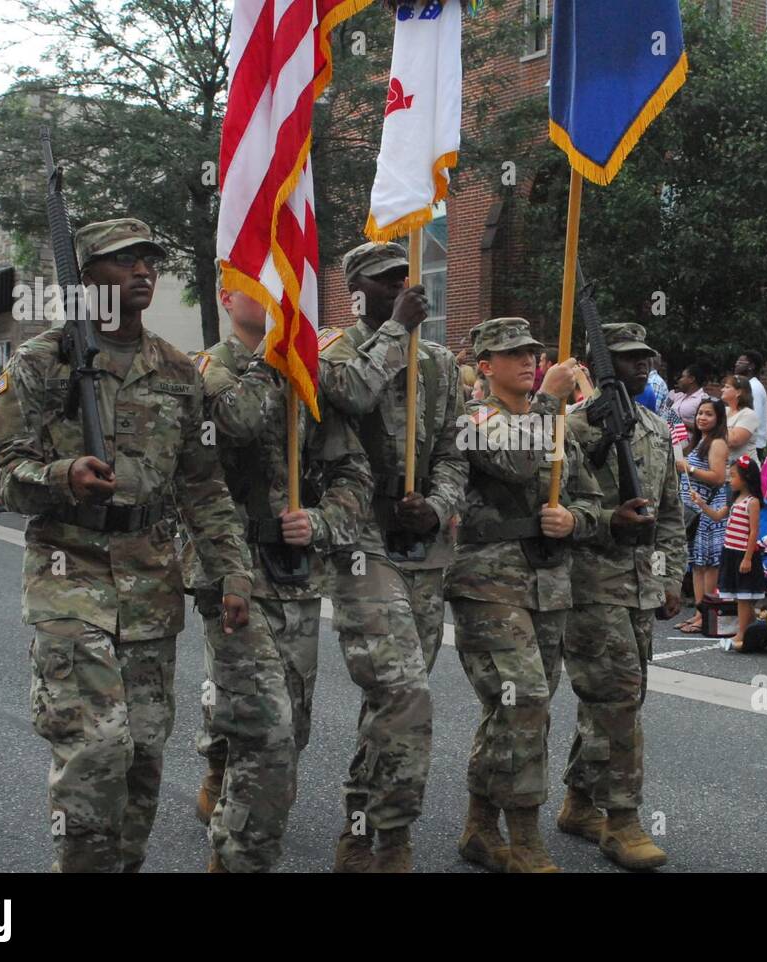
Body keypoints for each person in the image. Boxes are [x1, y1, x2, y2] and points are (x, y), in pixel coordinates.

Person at [0, 217, 253, 872]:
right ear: (85, 276)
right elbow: (1, 477)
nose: (143, 271)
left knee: (141, 754)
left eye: (149, 260)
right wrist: (62, 477)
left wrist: (232, 574)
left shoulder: (176, 371)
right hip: (69, 576)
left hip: (150, 585)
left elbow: (204, 487)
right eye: (124, 259)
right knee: (94, 750)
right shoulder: (41, 364)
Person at [185, 283, 372, 873]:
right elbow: (236, 421)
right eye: (257, 284)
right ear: (225, 293)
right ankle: (238, 859)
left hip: (296, 573)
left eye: (281, 282)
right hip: (231, 573)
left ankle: (223, 764)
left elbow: (352, 470)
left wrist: (320, 520)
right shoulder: (208, 369)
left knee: (291, 731)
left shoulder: (303, 375)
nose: (273, 294)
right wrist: (275, 357)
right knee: (267, 734)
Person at [319, 241, 468, 872]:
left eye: (406, 280)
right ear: (356, 291)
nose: (403, 290)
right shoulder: (336, 353)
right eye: (385, 283)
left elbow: (457, 453)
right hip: (361, 542)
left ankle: (369, 817)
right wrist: (397, 331)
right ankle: (386, 833)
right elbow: (350, 395)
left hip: (423, 547)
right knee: (404, 688)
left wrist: (437, 504)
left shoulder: (438, 362)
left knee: (397, 699)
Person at [445, 317, 600, 873]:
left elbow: (591, 500)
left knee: (517, 712)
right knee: (525, 698)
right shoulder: (472, 420)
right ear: (485, 366)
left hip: (548, 581)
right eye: (513, 355)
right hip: (488, 582)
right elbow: (512, 462)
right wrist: (550, 403)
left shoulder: (555, 423)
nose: (529, 362)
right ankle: (525, 837)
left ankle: (481, 825)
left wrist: (573, 520)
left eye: (532, 353)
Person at [560, 322, 685, 871]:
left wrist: (671, 576)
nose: (642, 367)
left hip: (640, 585)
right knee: (617, 698)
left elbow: (672, 513)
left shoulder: (658, 428)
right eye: (628, 359)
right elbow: (556, 513)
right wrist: (607, 521)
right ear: (599, 364)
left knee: (619, 700)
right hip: (590, 584)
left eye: (646, 358)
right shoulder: (573, 429)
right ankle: (623, 820)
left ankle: (579, 801)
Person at [696, 455, 766, 647]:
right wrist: (702, 504)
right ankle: (749, 630)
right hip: (731, 552)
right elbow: (718, 516)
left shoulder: (752, 502)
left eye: (733, 475)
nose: (729, 479)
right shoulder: (735, 500)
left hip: (743, 554)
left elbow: (754, 532)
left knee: (744, 599)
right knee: (738, 596)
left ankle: (741, 632)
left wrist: (748, 558)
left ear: (746, 478)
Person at [676, 398, 730, 633]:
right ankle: (699, 613)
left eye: (708, 414)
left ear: (718, 418)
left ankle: (707, 616)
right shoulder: (701, 441)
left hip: (708, 512)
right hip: (693, 511)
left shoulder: (717, 443)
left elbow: (718, 477)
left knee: (709, 566)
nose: (702, 418)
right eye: (699, 413)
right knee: (697, 565)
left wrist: (690, 468)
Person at [721, 375, 760, 466]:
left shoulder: (748, 414)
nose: (722, 390)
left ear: (738, 392)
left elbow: (734, 441)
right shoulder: (724, 411)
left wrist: (714, 429)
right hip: (725, 470)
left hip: (744, 471)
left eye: (727, 387)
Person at [734, 351, 767, 450]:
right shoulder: (747, 386)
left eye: (740, 362)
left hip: (752, 446)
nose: (736, 364)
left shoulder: (754, 388)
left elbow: (753, 418)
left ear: (751, 366)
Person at [669, 362, 711, 430]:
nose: (679, 380)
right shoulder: (679, 396)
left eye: (682, 377)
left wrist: (678, 422)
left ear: (691, 379)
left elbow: (705, 427)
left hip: (688, 440)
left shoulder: (703, 399)